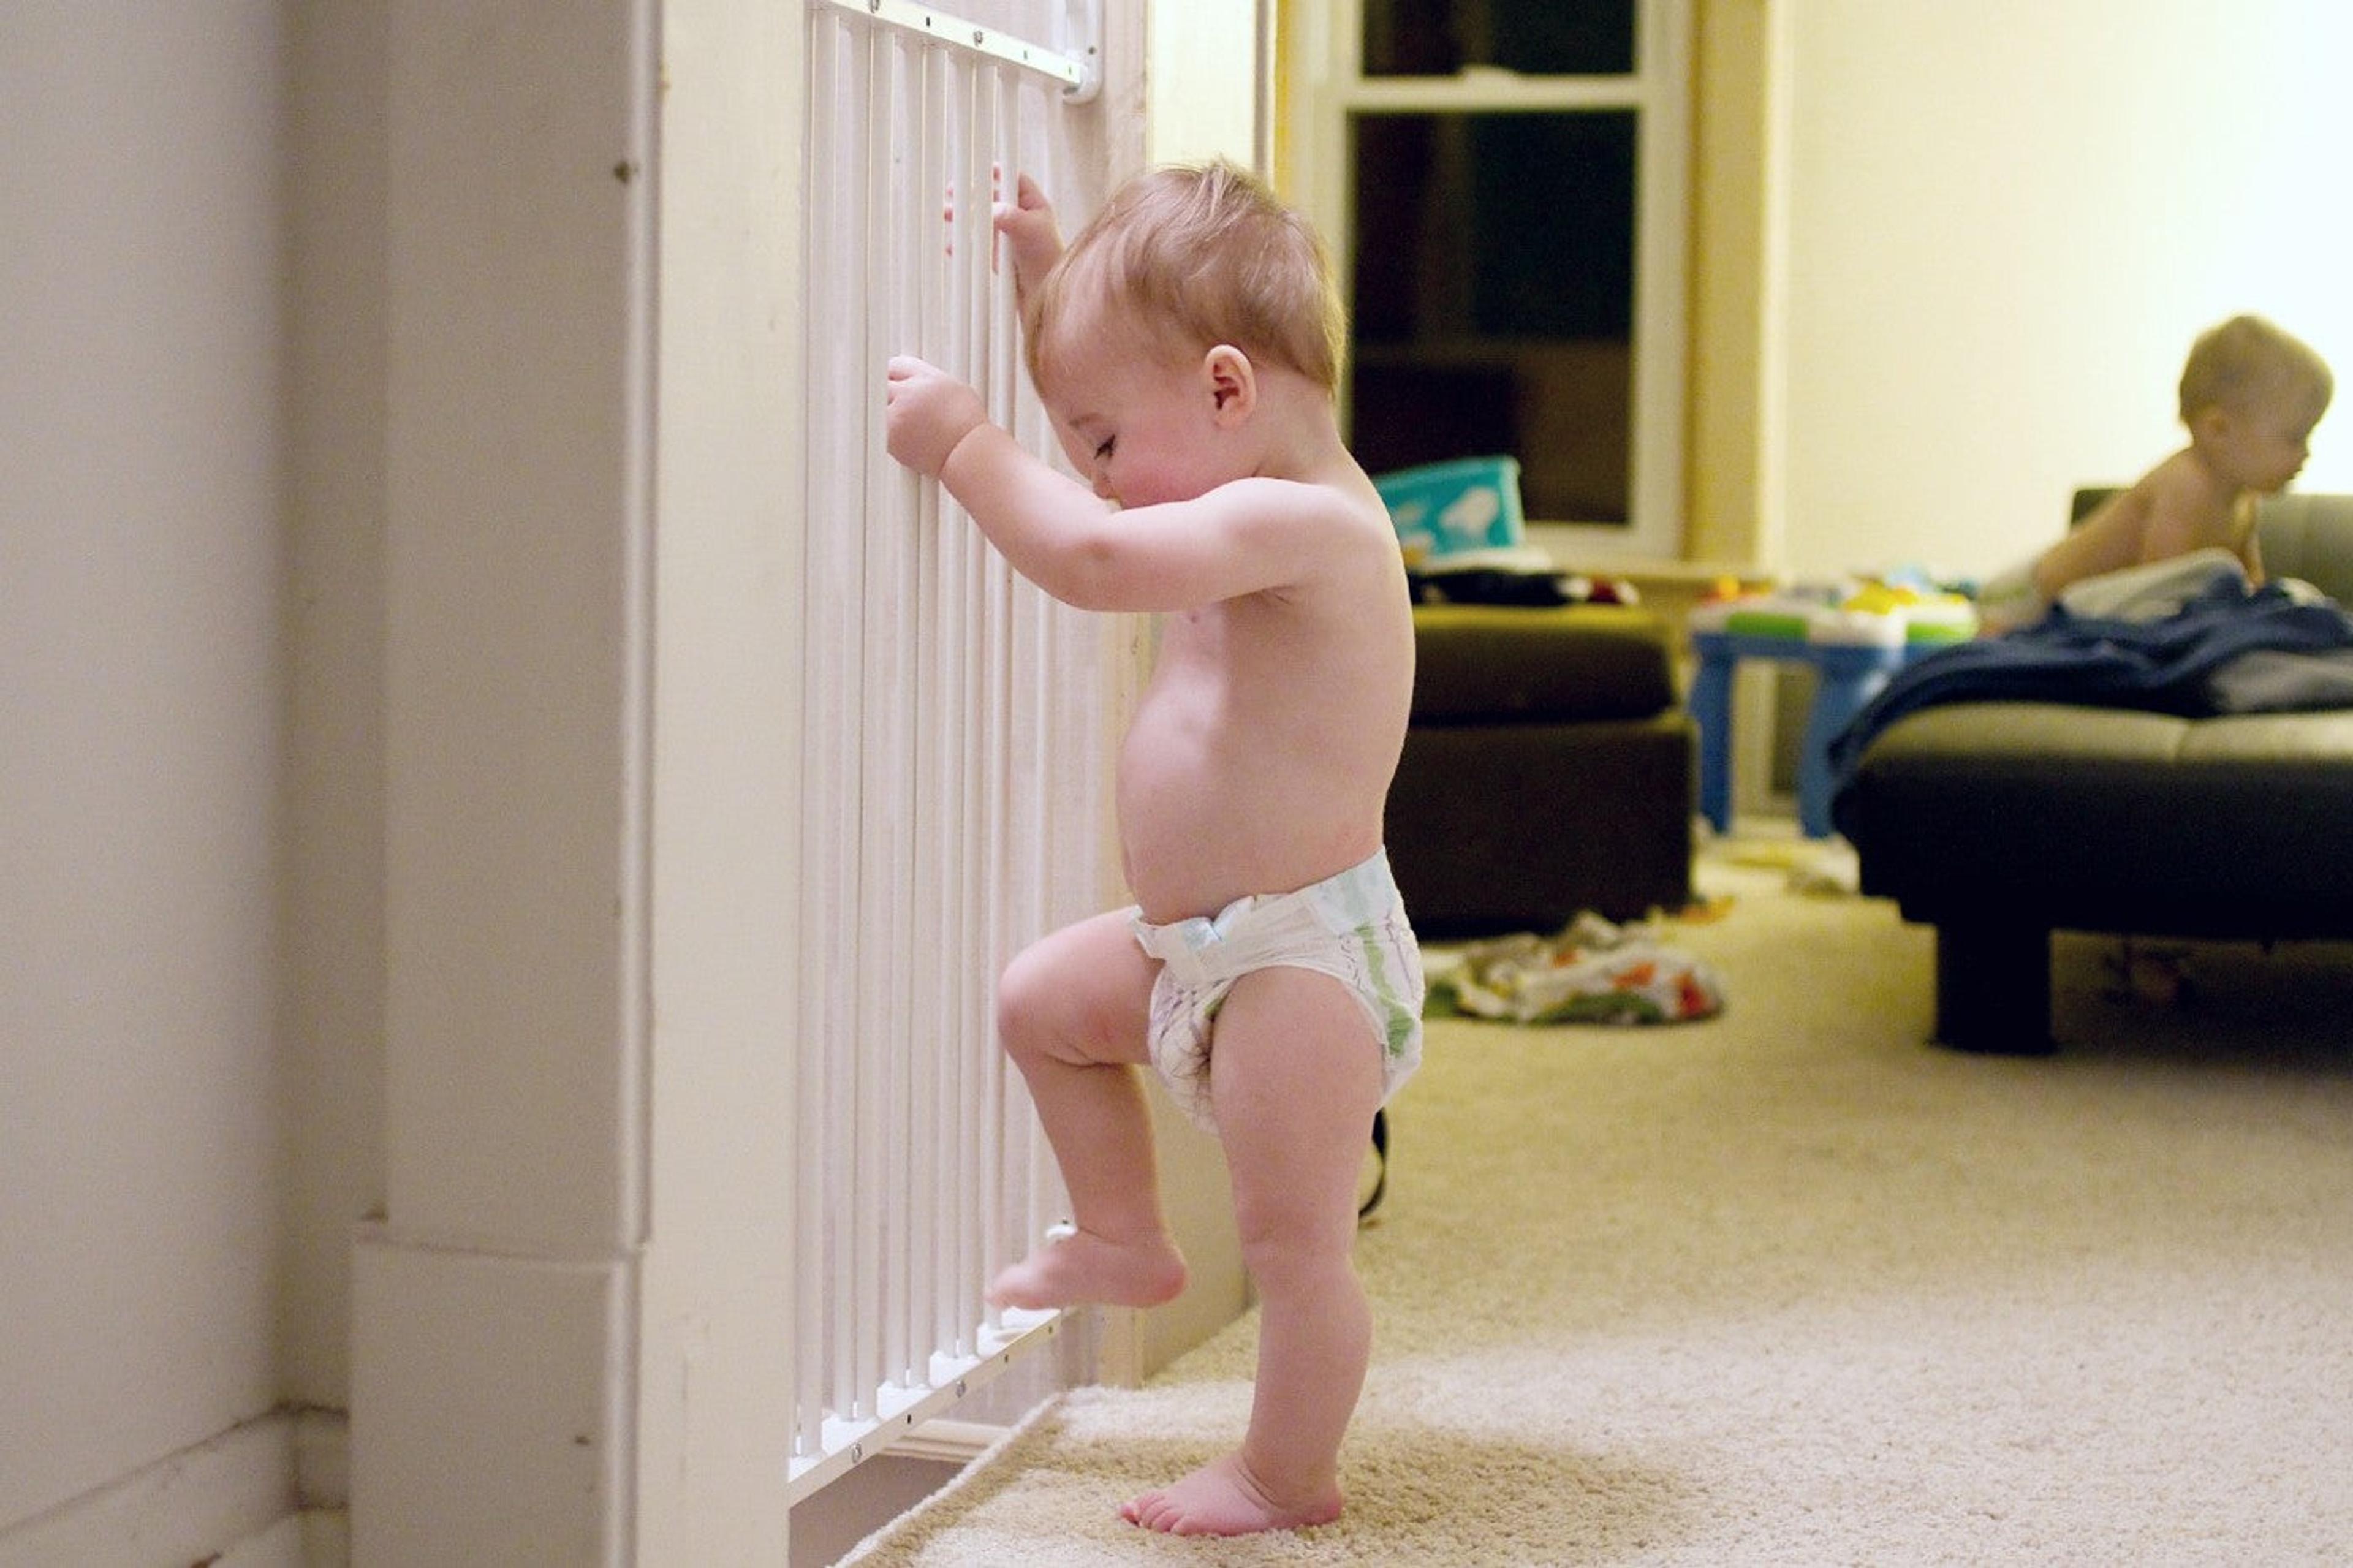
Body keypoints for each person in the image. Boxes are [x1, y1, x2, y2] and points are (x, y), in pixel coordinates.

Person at [883, 161, 1424, 1537]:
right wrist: (1046, 278)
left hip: (1305, 956)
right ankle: (1124, 1235)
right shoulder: (1224, 473)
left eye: (1106, 447)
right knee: (1041, 1005)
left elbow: (1098, 565)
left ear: (1232, 391)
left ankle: (1284, 1472)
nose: (1098, 482)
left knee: (1296, 1243)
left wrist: (966, 442)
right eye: (1082, 450)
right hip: (1193, 942)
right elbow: (1139, 406)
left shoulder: (1309, 524)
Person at [1977, 314, 2333, 633]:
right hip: (2028, 594)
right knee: (1989, 647)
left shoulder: (2244, 501)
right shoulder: (2187, 485)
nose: (2306, 454)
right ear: (2218, 430)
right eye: (2295, 437)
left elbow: (2250, 583)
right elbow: (2158, 588)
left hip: (2077, 602)